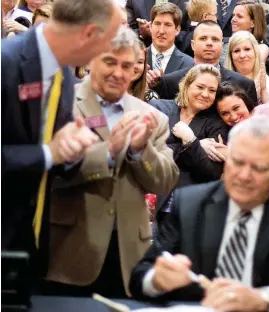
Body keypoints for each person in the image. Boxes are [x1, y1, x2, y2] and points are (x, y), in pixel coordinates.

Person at [129, 116, 269, 311]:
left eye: (259, 168)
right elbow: (141, 276)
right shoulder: (189, 205)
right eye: (237, 162)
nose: (244, 176)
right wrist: (157, 280)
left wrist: (263, 299)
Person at [43, 27, 179, 299]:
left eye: (127, 65)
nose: (118, 72)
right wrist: (109, 151)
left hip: (128, 256)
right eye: (110, 61)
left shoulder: (153, 117)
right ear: (91, 59)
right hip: (68, 249)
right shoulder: (59, 103)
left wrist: (141, 151)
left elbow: (165, 181)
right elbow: (44, 170)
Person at [1, 0, 122, 278]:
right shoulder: (5, 63)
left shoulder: (64, 71)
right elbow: (44, 153)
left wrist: (74, 150)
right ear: (89, 33)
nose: (109, 50)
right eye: (109, 39)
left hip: (32, 240)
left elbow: (56, 158)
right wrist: (48, 153)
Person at [149, 64, 229, 229]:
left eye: (212, 90)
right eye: (200, 87)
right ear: (186, 85)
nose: (205, 94)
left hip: (190, 207)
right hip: (150, 201)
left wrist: (190, 140)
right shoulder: (158, 108)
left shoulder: (216, 123)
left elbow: (211, 172)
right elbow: (147, 152)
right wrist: (196, 144)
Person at [151, 21, 258, 106]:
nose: (209, 43)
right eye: (203, 38)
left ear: (222, 45)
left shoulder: (244, 84)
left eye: (215, 39)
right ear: (193, 44)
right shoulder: (170, 82)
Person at [225, 31, 269, 107]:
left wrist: (263, 92)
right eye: (237, 51)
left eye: (247, 49)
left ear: (255, 52)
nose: (242, 55)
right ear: (231, 57)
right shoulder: (223, 84)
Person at [146, 3, 194, 78]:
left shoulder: (189, 64)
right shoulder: (136, 58)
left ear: (177, 30)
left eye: (167, 25)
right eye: (157, 24)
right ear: (150, 27)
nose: (161, 31)